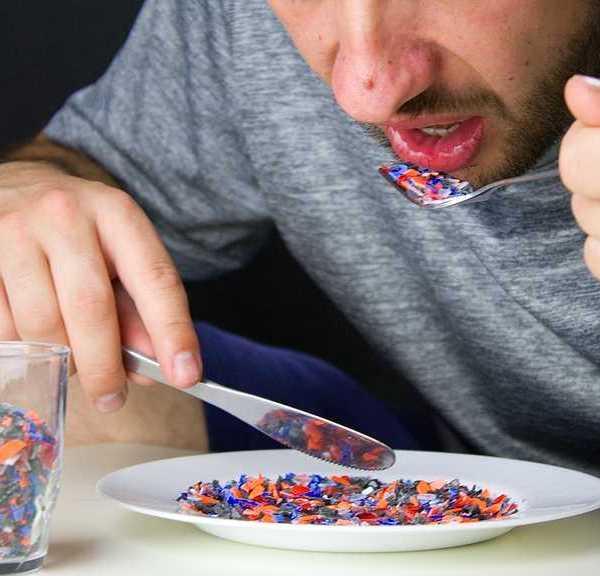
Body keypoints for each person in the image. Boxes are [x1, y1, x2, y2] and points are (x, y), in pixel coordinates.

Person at [1, 1, 599, 473]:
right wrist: (28, 193)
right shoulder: (240, 20)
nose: (367, 91)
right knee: (35, 335)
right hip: (446, 471)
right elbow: (87, 171)